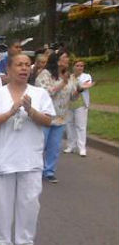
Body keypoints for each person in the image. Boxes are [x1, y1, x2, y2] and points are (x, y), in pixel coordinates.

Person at [0, 53, 54, 245]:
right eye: (19, 65)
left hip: (30, 158)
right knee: (2, 202)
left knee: (30, 202)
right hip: (3, 157)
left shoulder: (39, 94)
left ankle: (25, 242)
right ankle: (3, 241)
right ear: (9, 70)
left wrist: (30, 110)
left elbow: (48, 120)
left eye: (27, 65)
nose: (24, 68)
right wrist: (11, 111)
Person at [35, 49, 79, 183]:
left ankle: (49, 171)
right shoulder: (45, 74)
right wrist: (62, 83)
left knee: (54, 147)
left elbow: (72, 97)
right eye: (65, 57)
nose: (67, 60)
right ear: (57, 59)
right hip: (46, 116)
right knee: (39, 145)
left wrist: (80, 90)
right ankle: (35, 169)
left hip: (61, 117)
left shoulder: (69, 76)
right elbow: (46, 93)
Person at [64, 61, 94, 156]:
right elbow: (66, 88)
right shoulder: (69, 77)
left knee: (81, 126)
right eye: (77, 65)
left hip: (81, 104)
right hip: (69, 104)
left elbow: (87, 85)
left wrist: (78, 89)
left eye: (82, 66)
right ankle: (71, 146)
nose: (80, 67)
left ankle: (82, 148)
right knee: (69, 125)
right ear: (73, 66)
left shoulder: (86, 76)